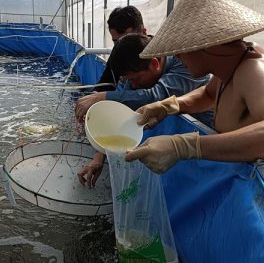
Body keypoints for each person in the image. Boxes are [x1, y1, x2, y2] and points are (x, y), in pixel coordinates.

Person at [125, 0, 264, 172]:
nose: (178, 57)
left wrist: (184, 146)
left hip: (258, 194)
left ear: (207, 45)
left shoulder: (254, 69)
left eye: (181, 49)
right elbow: (208, 94)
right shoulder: (229, 67)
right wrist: (168, 106)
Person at [76, 33, 210, 187]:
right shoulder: (137, 72)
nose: (132, 85)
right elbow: (121, 111)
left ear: (154, 63)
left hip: (211, 149)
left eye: (134, 79)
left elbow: (157, 96)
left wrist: (103, 97)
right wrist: (98, 157)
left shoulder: (185, 64)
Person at [94, 6, 147, 92]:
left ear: (143, 33)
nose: (121, 47)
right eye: (116, 42)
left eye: (127, 41)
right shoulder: (118, 54)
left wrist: (105, 96)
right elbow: (104, 83)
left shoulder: (163, 55)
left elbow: (157, 95)